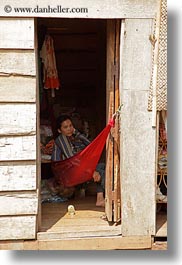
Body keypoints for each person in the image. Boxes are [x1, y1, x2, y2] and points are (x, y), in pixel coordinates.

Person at [51, 114, 105, 207]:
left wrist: (77, 133)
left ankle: (100, 198)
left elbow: (91, 146)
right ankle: (101, 198)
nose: (69, 129)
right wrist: (91, 171)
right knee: (99, 170)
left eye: (71, 126)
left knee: (102, 167)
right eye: (65, 127)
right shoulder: (61, 139)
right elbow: (72, 160)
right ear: (59, 130)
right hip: (65, 176)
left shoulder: (72, 138)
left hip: (74, 171)